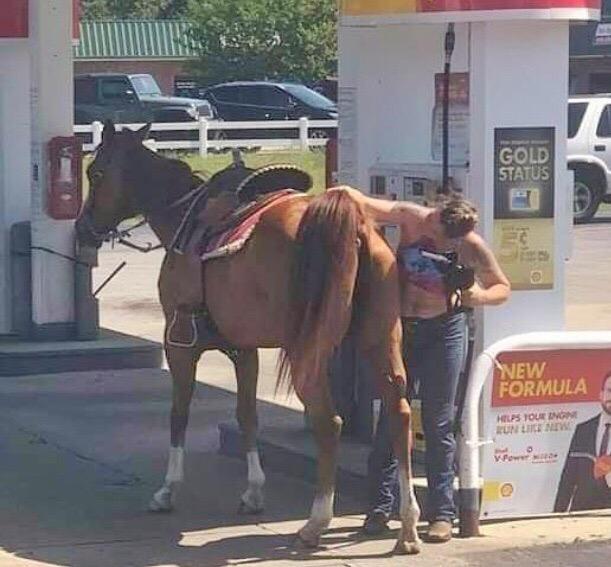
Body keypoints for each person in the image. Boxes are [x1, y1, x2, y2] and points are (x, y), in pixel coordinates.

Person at [339, 187, 511, 542]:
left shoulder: (470, 245)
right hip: (401, 327)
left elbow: (502, 287)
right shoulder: (412, 218)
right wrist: (340, 193)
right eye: (432, 225)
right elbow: (366, 203)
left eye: (440, 238)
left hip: (444, 328)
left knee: (438, 420)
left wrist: (473, 295)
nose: (431, 234)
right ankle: (379, 507)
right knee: (391, 413)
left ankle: (442, 513)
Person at [553, 372, 611, 512]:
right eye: (610, 391)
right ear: (601, 394)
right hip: (581, 515)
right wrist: (556, 516)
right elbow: (568, 477)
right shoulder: (583, 430)